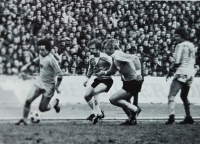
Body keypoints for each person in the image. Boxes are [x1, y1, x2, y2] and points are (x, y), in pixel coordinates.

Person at [15, 39, 63, 125]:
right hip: (39, 83)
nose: (40, 52)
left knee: (42, 108)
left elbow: (60, 74)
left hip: (49, 86)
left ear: (48, 50)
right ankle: (24, 119)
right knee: (28, 100)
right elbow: (37, 59)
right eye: (39, 49)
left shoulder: (52, 60)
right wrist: (27, 66)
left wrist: (57, 87)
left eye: (43, 50)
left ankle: (54, 103)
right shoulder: (42, 54)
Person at [97, 39, 142, 125]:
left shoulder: (118, 55)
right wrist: (104, 72)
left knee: (113, 100)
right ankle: (131, 119)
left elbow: (136, 58)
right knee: (123, 101)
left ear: (111, 48)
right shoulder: (115, 57)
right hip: (128, 82)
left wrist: (139, 74)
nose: (104, 50)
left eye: (105, 48)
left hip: (133, 82)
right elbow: (113, 70)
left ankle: (136, 110)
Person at [165, 27, 195, 124]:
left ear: (182, 36)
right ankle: (188, 117)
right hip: (190, 73)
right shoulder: (191, 45)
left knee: (171, 95)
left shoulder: (179, 45)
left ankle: (171, 116)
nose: (175, 38)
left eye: (177, 36)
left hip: (181, 71)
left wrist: (170, 70)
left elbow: (177, 61)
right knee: (184, 96)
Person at [83, 39, 113, 124]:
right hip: (98, 80)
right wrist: (86, 79)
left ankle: (94, 113)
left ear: (98, 48)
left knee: (95, 91)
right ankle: (99, 113)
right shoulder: (91, 57)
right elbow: (90, 69)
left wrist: (109, 72)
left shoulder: (105, 57)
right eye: (90, 48)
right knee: (87, 96)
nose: (91, 50)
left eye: (93, 48)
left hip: (107, 80)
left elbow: (114, 66)